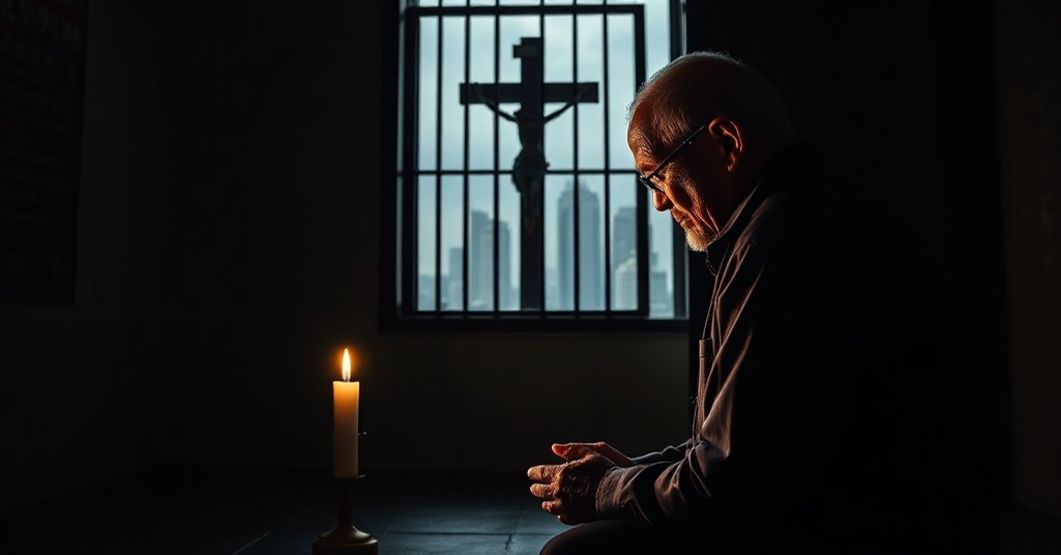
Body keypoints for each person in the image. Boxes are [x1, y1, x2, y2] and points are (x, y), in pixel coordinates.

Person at [527, 52, 950, 554]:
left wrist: (608, 488)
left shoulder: (779, 240)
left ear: (726, 144)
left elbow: (725, 482)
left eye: (656, 174)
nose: (659, 201)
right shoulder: (794, 218)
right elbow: (729, 446)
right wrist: (632, 474)